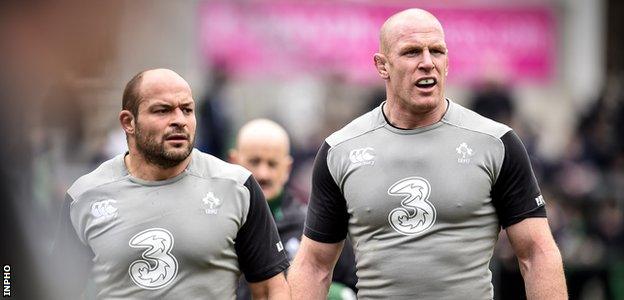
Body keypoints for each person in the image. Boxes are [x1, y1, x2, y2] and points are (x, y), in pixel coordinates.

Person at [288, 8, 567, 299]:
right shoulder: (340, 150)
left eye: (437, 51)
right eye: (411, 52)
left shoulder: (497, 143)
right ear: (382, 66)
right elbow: (314, 265)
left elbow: (537, 254)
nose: (427, 63)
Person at [52, 68, 290, 299]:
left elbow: (270, 290)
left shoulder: (238, 187)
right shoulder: (84, 197)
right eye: (162, 110)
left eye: (187, 110)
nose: (179, 120)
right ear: (128, 122)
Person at [229, 119, 358, 300]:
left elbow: (355, 287)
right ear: (234, 162)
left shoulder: (314, 226)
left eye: (272, 164)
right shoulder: (220, 224)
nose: (263, 174)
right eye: (254, 161)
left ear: (287, 168)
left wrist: (333, 295)